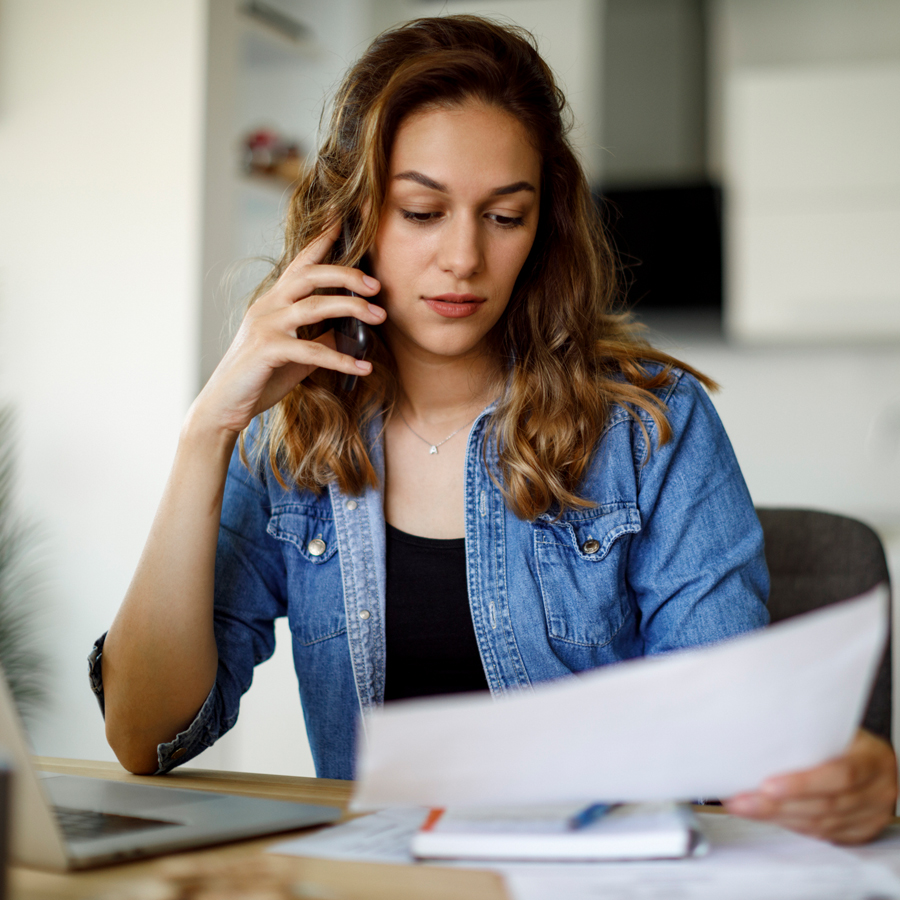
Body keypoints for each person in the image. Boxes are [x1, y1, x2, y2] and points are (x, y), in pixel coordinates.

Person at [92, 15, 896, 844]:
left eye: (504, 217)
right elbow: (144, 737)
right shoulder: (288, 439)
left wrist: (848, 774)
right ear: (353, 220)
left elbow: (732, 748)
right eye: (421, 211)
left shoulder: (650, 428)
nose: (464, 258)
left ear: (542, 228)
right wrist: (208, 428)